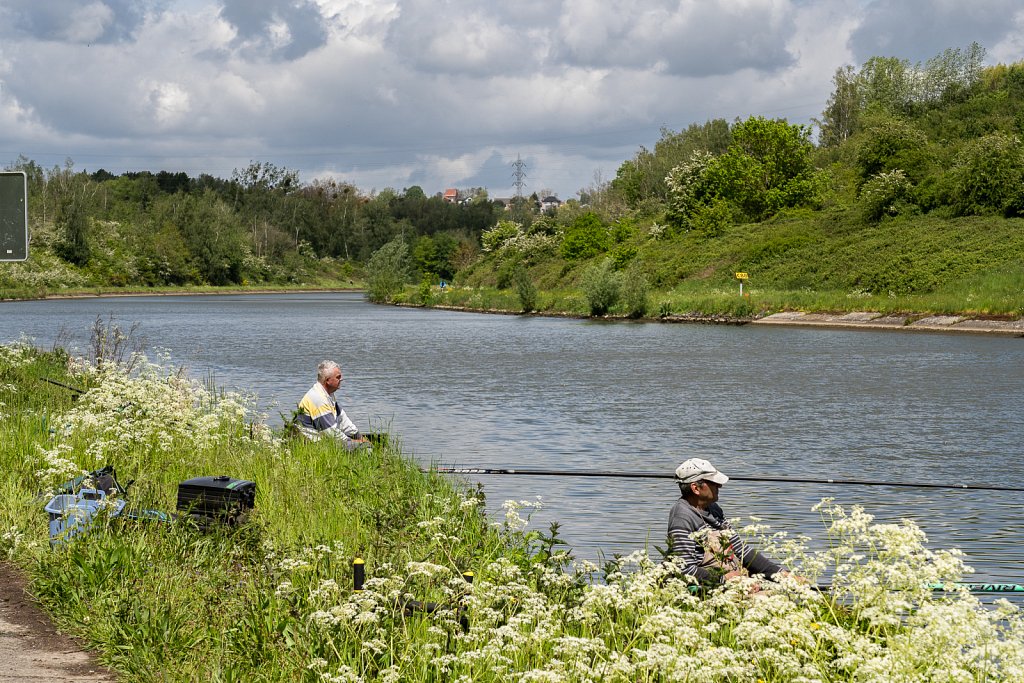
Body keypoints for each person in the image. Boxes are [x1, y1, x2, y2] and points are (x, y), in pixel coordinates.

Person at [667, 457, 789, 587]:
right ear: (695, 488)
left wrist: (784, 576)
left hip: (736, 583)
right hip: (708, 588)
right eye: (713, 483)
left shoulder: (714, 509)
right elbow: (684, 569)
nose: (719, 486)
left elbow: (742, 551)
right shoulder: (682, 516)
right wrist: (725, 579)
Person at [295, 360, 369, 449]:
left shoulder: (328, 395)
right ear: (328, 380)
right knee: (366, 447)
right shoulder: (318, 399)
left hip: (325, 441)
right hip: (314, 445)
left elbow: (343, 421)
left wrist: (359, 437)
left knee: (367, 443)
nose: (341, 379)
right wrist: (355, 442)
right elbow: (332, 434)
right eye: (338, 377)